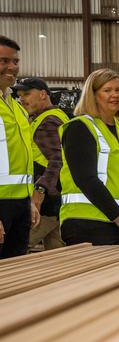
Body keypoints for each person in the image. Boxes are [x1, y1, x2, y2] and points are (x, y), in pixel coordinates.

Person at [59, 68, 119, 245]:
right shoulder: (80, 127)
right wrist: (117, 215)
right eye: (107, 90)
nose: (115, 95)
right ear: (93, 95)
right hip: (88, 222)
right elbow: (85, 178)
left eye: (118, 90)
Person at [15, 77, 68, 249]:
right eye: (20, 95)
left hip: (46, 203)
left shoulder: (48, 121)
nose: (21, 99)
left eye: (27, 94)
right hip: (56, 202)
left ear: (43, 94)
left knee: (15, 246)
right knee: (57, 256)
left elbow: (57, 159)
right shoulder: (52, 117)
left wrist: (40, 190)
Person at [0, 36, 40, 258]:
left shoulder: (16, 108)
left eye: (15, 62)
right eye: (4, 61)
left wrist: (29, 202)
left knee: (14, 270)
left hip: (19, 205)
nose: (12, 67)